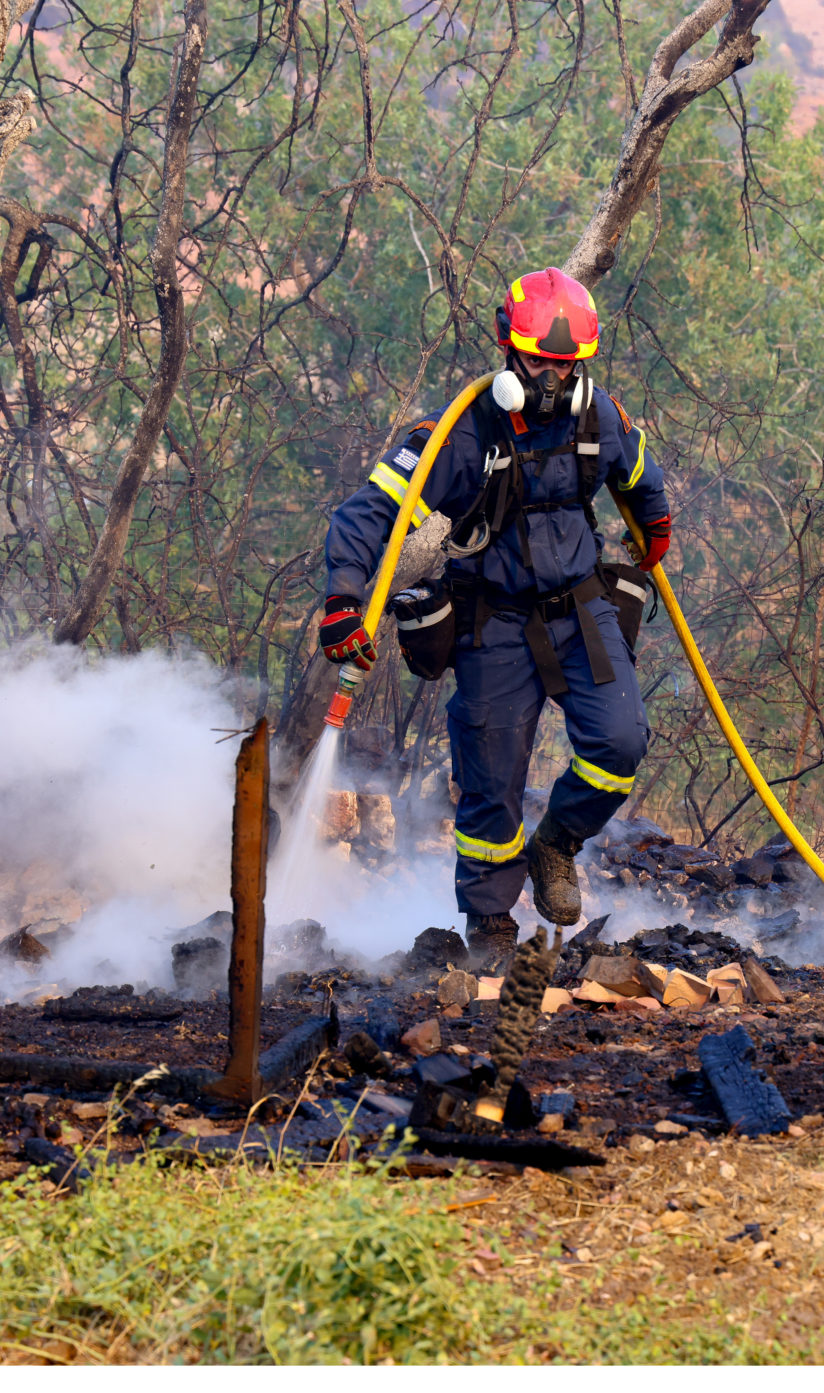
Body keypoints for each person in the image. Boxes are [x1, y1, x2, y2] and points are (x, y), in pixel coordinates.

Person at [318, 267, 672, 960]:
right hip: (493, 621)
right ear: (507, 349)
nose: (551, 380)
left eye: (567, 366)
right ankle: (490, 928)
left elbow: (642, 478)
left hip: (580, 610)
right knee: (490, 776)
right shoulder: (458, 433)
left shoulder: (600, 418)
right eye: (540, 361)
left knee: (621, 742)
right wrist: (342, 600)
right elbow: (367, 514)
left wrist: (654, 525)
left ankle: (556, 846)